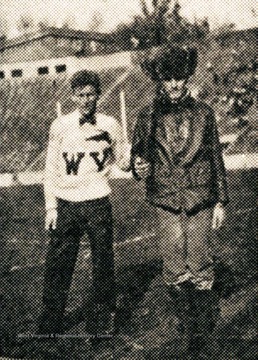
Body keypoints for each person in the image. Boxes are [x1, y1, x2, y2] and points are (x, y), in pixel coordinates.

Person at [131, 46, 229, 345]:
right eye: (168, 79)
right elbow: (138, 158)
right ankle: (186, 323)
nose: (175, 84)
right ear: (160, 80)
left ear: (187, 78)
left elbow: (215, 158)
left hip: (200, 196)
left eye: (180, 78)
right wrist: (139, 166)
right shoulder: (146, 115)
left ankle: (203, 323)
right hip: (166, 197)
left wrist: (221, 200)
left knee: (199, 259)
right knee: (174, 263)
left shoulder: (204, 113)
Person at [38, 70, 129, 338]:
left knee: (103, 262)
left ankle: (101, 321)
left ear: (98, 95)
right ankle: (50, 321)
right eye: (81, 95)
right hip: (66, 204)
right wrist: (51, 206)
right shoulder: (60, 125)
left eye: (91, 94)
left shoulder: (110, 124)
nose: (86, 100)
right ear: (72, 96)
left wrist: (133, 162)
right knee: (58, 263)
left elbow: (122, 159)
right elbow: (50, 169)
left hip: (98, 202)